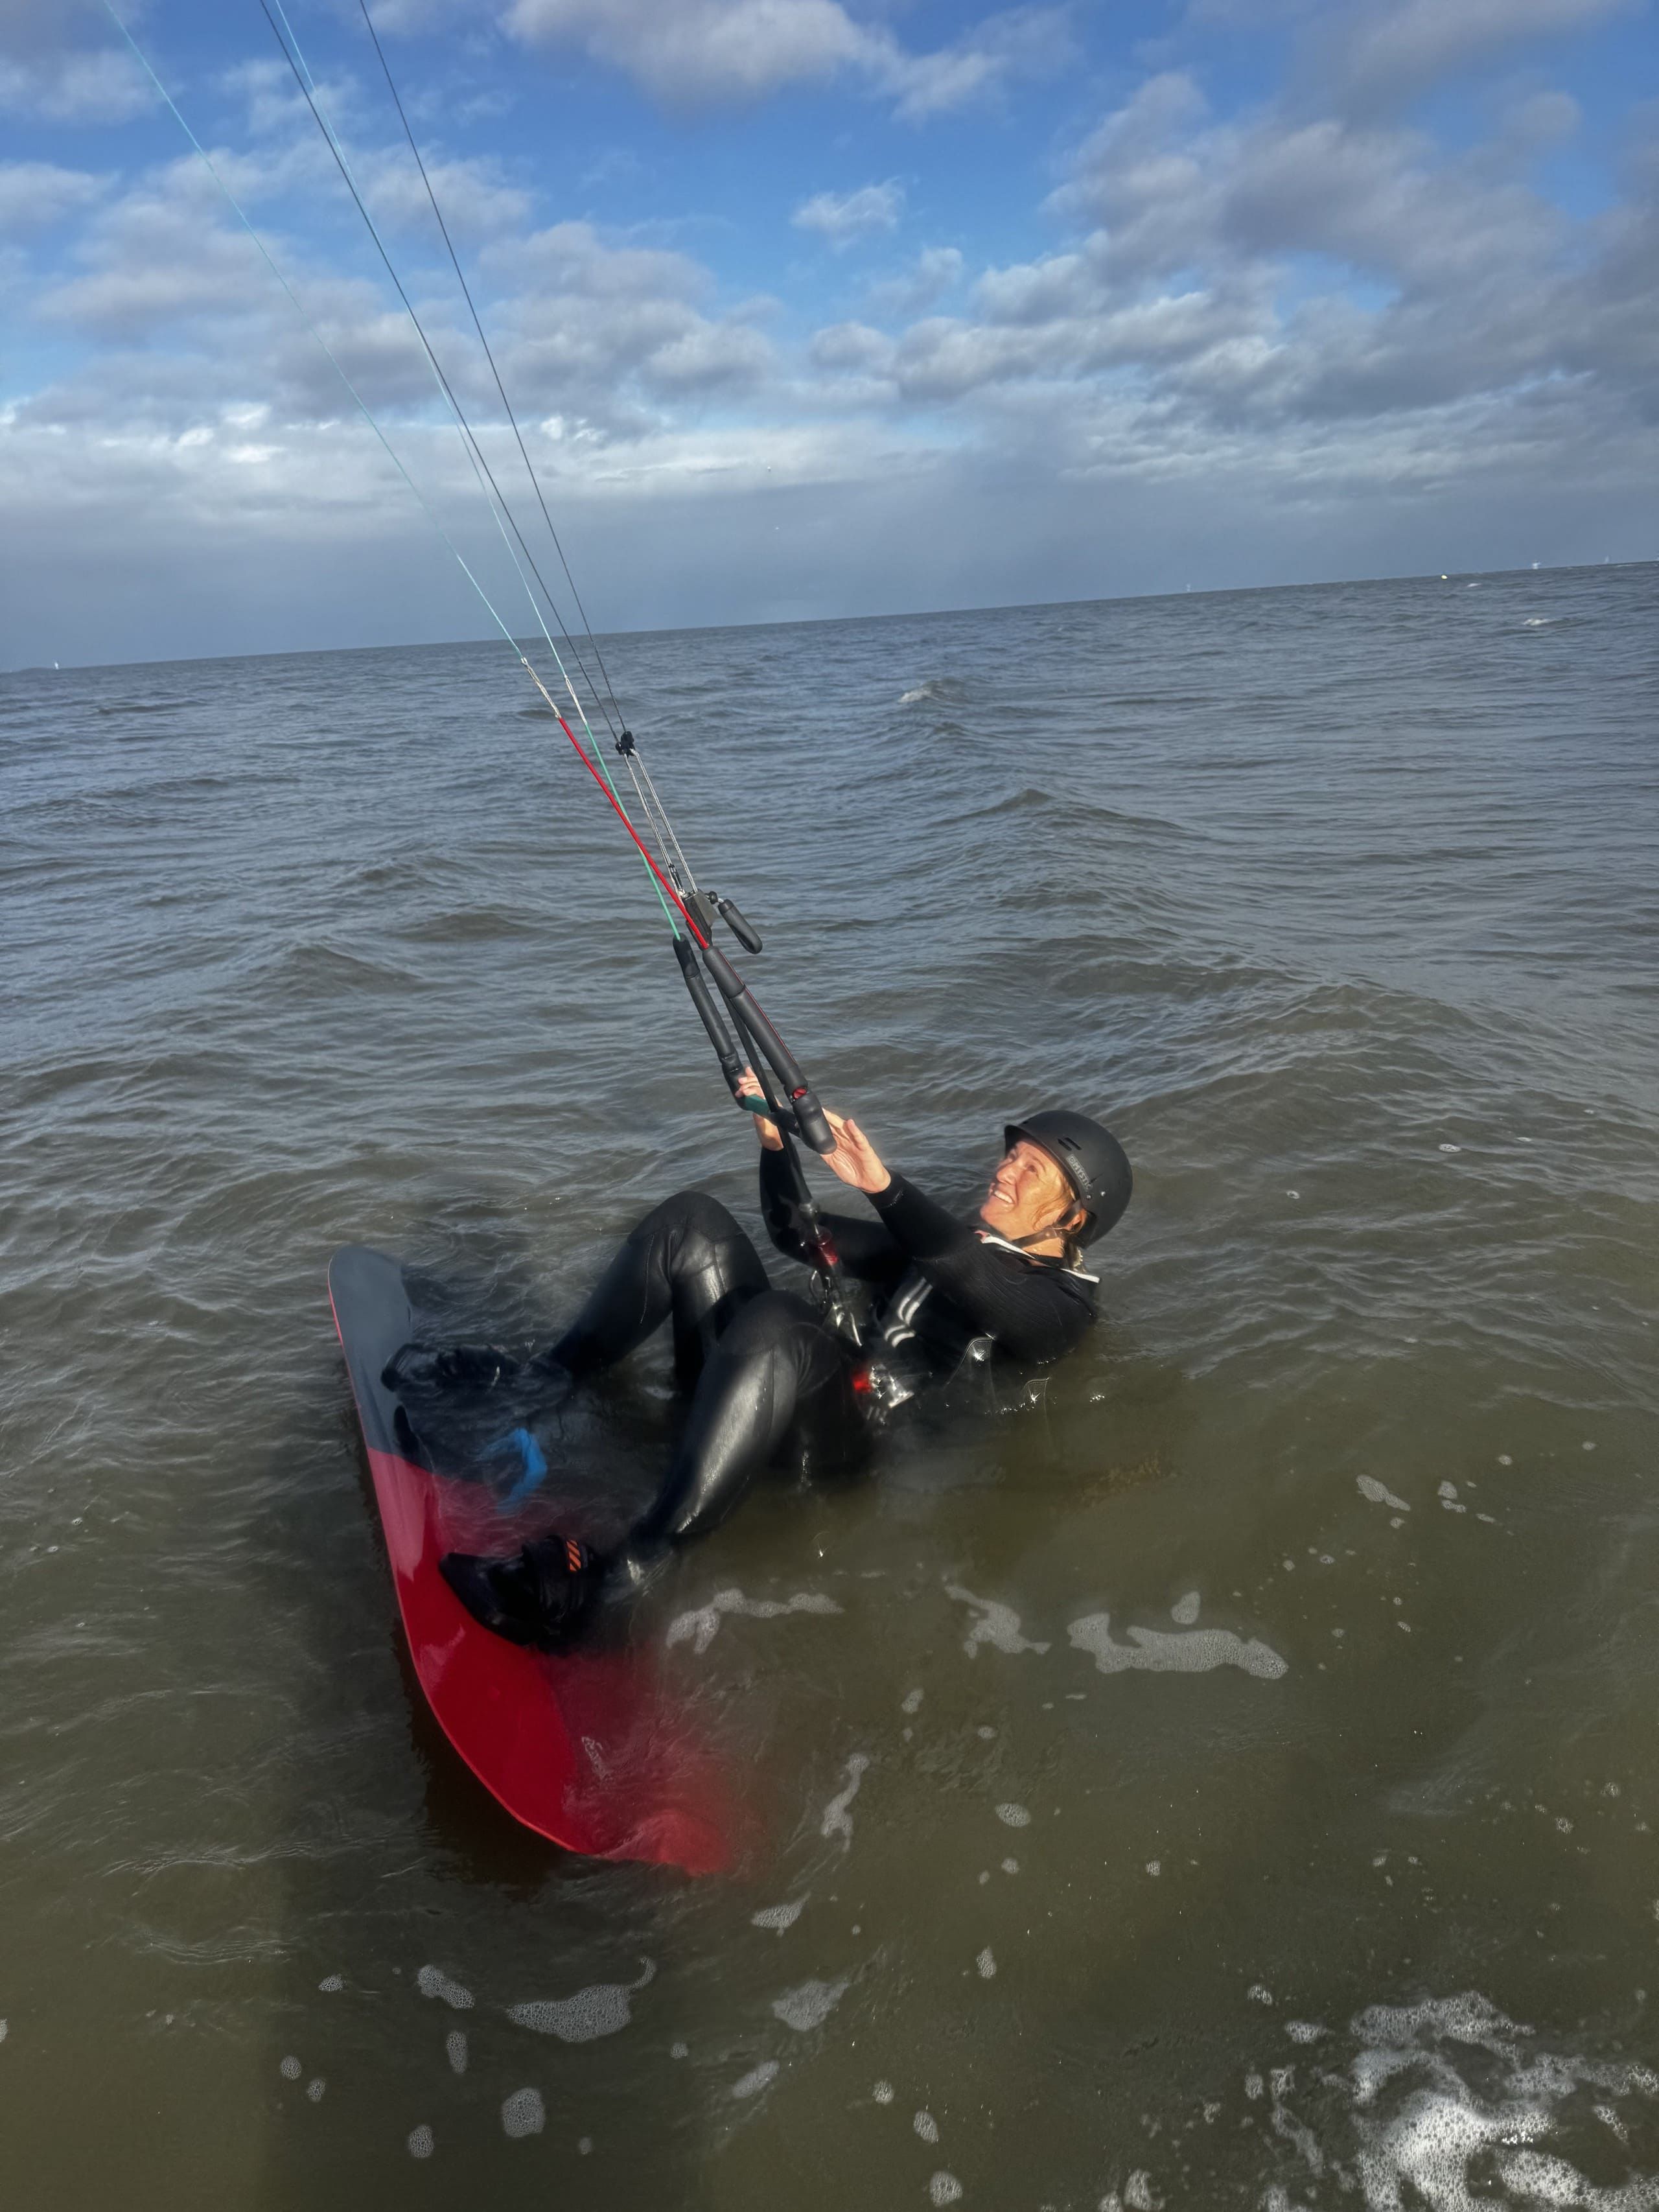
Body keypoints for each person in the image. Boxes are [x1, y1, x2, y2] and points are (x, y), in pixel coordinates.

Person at [401, 1082, 1132, 1650]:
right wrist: (773, 1138)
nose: (1004, 1170)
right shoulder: (960, 1238)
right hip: (769, 1392)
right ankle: (543, 1379)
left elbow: (978, 1280)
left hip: (844, 1451)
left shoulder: (1062, 1308)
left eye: (1030, 1169)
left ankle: (623, 1583)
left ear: (1072, 1220)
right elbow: (797, 1234)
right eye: (1010, 1154)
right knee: (694, 1224)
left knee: (781, 1320)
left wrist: (885, 1186)